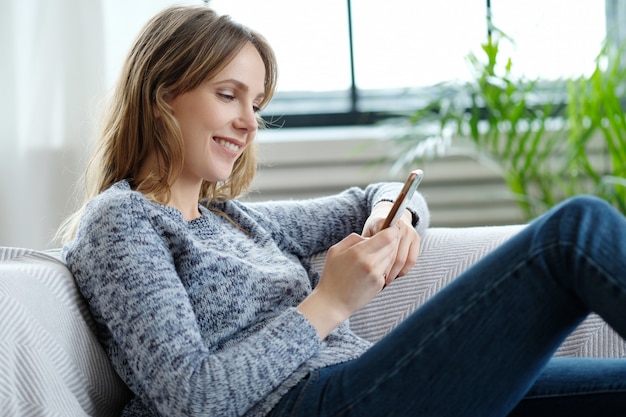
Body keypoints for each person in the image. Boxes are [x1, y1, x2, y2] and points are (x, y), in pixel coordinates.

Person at [60, 5, 626, 417]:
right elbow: (192, 397)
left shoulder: (231, 219)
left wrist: (396, 215)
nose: (250, 122)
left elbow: (372, 195)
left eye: (255, 104)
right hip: (315, 404)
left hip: (358, 385)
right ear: (161, 93)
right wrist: (328, 302)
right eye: (228, 95)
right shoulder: (123, 221)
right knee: (575, 231)